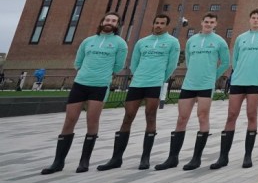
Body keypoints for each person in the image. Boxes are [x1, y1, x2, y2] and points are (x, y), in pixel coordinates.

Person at [41, 12, 128, 174]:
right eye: (107, 19)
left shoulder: (120, 43)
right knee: (69, 120)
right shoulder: (88, 41)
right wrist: (85, 73)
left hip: (100, 86)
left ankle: (84, 161)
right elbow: (78, 61)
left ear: (118, 25)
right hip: (80, 84)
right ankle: (58, 162)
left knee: (92, 120)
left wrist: (102, 75)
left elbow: (118, 66)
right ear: (102, 22)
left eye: (114, 21)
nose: (110, 22)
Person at [98, 14, 180, 171]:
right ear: (153, 23)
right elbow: (134, 62)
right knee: (128, 117)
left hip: (155, 83)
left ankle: (145, 158)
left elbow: (172, 64)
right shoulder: (142, 42)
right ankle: (116, 158)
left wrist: (160, 78)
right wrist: (139, 76)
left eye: (162, 23)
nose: (159, 26)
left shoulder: (172, 42)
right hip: (138, 83)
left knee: (150, 117)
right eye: (156, 23)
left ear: (166, 25)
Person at [154, 12, 230, 171]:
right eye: (206, 21)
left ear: (215, 24)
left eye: (212, 22)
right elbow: (188, 59)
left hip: (206, 85)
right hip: (189, 84)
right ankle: (172, 157)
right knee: (181, 118)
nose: (208, 24)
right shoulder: (192, 40)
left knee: (203, 117)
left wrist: (213, 76)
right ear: (202, 22)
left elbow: (226, 62)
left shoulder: (219, 42)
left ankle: (196, 158)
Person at [211, 8, 258, 170]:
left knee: (251, 115)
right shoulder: (241, 38)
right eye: (253, 17)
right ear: (249, 20)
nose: (255, 20)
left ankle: (248, 156)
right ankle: (223, 156)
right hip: (239, 81)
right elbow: (236, 60)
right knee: (231, 115)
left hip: (255, 81)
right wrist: (237, 73)